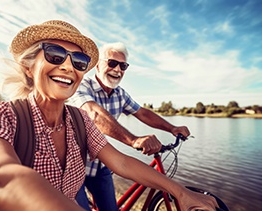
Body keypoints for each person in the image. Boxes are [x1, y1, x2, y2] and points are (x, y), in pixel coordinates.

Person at [0, 20, 218, 211]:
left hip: (97, 173)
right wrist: (134, 139)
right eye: (55, 54)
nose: (67, 66)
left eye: (79, 61)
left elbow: (123, 162)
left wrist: (179, 191)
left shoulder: (78, 121)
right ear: (29, 67)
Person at [70, 42, 191, 211]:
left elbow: (142, 113)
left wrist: (172, 128)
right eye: (112, 63)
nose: (117, 69)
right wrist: (133, 140)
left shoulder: (120, 94)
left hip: (101, 164)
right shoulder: (82, 85)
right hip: (74, 166)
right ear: (98, 65)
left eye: (123, 65)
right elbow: (94, 114)